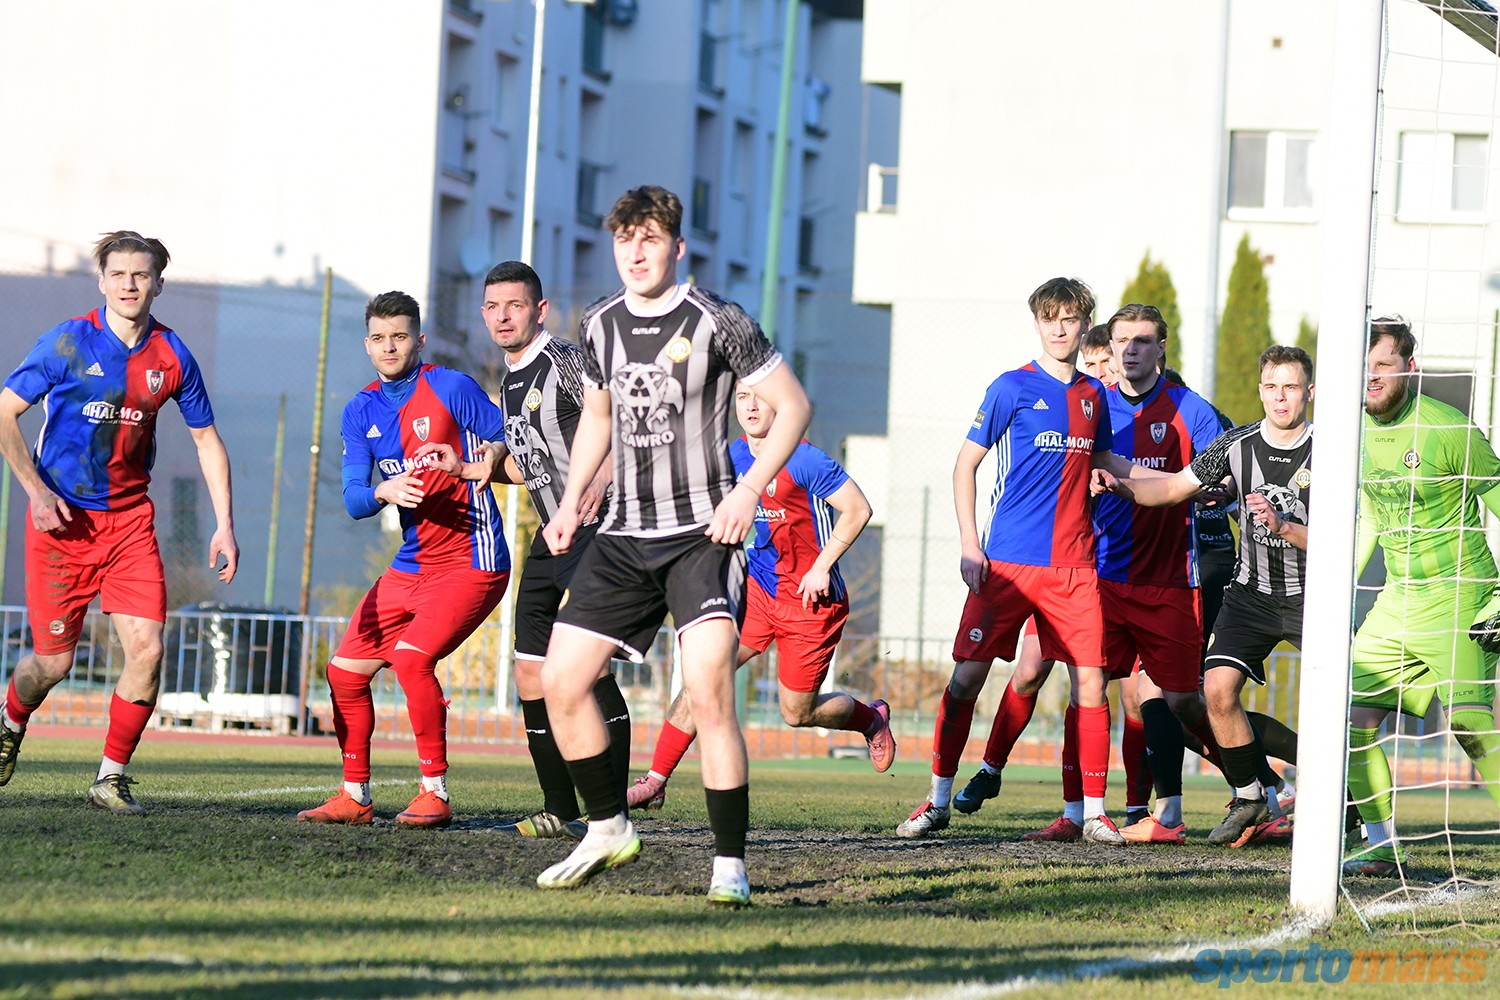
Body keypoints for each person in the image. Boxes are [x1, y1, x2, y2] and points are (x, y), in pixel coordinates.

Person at [535, 186, 811, 907]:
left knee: (709, 693)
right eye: (625, 239)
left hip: (702, 537)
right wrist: (570, 502)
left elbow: (794, 406)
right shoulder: (597, 324)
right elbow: (598, 419)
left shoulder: (719, 319)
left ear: (677, 248)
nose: (636, 252)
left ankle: (729, 866)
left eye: (650, 239)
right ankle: (607, 829)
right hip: (623, 535)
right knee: (560, 681)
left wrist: (748, 490)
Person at [950, 304, 1224, 844]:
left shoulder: (1173, 406)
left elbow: (1208, 479)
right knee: (1040, 672)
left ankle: (1206, 792)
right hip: (1078, 566)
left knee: (1155, 698)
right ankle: (1008, 777)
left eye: (1117, 353)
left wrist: (1175, 488)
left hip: (1157, 574)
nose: (1108, 365)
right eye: (1107, 353)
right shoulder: (1074, 400)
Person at [896, 277, 1153, 845]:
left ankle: (1093, 813)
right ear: (1037, 323)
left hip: (1074, 567)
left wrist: (1177, 482)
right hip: (1007, 564)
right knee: (966, 678)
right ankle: (938, 799)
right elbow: (964, 466)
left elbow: (1108, 462)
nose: (1059, 329)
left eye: (1070, 319)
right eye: (1049, 319)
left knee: (1091, 684)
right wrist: (970, 545)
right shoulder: (1010, 387)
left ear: (1086, 325)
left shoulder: (1094, 396)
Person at [0, 231, 237, 814]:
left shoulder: (173, 355)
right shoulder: (67, 341)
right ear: (102, 281)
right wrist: (35, 492)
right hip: (61, 521)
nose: (130, 285)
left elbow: (207, 440)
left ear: (159, 283)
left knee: (148, 649)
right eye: (119, 274)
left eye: (141, 275)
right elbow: (5, 413)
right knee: (53, 663)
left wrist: (224, 524)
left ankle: (110, 776)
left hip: (130, 523)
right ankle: (9, 721)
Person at [423, 260, 640, 840]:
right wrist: (472, 468)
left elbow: (623, 425)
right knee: (529, 672)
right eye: (493, 307)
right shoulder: (510, 379)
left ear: (539, 310)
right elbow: (530, 465)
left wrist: (598, 481)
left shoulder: (565, 359)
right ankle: (559, 809)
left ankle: (610, 812)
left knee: (587, 669)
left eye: (514, 306)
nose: (502, 317)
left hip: (598, 529)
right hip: (551, 533)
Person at [296, 291, 510, 829]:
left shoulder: (451, 387)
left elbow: (511, 438)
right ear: (367, 345)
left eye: (399, 336)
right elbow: (353, 499)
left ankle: (434, 792)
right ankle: (354, 796)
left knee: (412, 660)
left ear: (420, 340)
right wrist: (384, 491)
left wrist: (478, 458)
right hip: (412, 563)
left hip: (473, 556)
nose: (389, 346)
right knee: (344, 672)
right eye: (378, 338)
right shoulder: (359, 410)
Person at [625, 381, 892, 810]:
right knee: (703, 675)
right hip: (758, 590)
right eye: (742, 396)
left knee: (796, 713)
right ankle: (655, 781)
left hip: (811, 603)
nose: (750, 406)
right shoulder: (734, 456)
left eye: (760, 397)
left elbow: (859, 509)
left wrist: (821, 567)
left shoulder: (803, 459)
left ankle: (871, 719)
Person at [1093, 344, 1314, 847]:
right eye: (1271, 387)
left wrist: (1283, 526)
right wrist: (1117, 483)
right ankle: (1249, 795)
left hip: (1311, 596)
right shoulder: (1235, 445)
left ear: (1309, 392)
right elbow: (1172, 488)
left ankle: (1350, 804)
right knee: (1214, 690)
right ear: (1260, 391)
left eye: (1290, 387)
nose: (1280, 398)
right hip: (1250, 594)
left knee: (1339, 706)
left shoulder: (1331, 451)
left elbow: (1344, 539)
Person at [1345, 317, 1500, 876]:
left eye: (1383, 365)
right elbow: (1369, 517)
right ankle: (1381, 844)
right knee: (1352, 719)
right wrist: (1339, 585)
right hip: (1398, 600)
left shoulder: (1450, 429)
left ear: (1409, 368)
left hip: (1462, 595)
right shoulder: (1352, 434)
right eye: (1364, 366)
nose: (1372, 376)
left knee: (1470, 726)